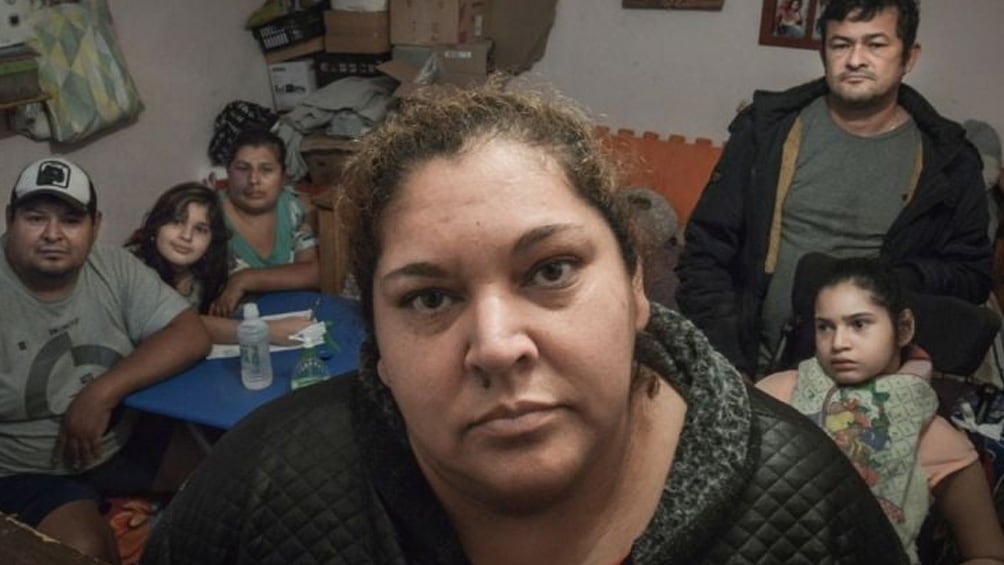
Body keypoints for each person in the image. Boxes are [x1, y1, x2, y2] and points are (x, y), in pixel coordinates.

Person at [143, 85, 908, 564]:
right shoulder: (265, 482)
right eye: (429, 298)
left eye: (551, 270)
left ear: (638, 285)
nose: (498, 345)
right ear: (376, 342)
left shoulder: (804, 504)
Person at [677, 0, 992, 378]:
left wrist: (886, 281)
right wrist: (728, 361)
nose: (856, 59)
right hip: (751, 365)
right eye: (841, 45)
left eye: (876, 45)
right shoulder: (767, 133)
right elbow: (706, 251)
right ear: (823, 53)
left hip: (874, 384)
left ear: (909, 57)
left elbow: (971, 278)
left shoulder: (949, 161)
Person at [0, 158, 211, 563]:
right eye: (35, 218)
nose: (53, 234)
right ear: (11, 219)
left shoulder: (112, 266)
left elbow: (190, 333)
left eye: (70, 220)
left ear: (95, 225)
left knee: (239, 477)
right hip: (28, 470)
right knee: (85, 550)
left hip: (120, 441)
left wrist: (101, 393)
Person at [757, 257, 1004, 563]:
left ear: (903, 328)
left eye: (859, 324)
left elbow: (988, 554)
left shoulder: (937, 440)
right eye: (825, 327)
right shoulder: (776, 393)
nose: (838, 343)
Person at [127, 182, 312, 345]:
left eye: (200, 229)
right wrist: (265, 331)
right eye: (176, 222)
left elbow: (301, 274)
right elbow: (179, 324)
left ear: (211, 240)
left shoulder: (209, 262)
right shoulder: (133, 268)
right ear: (156, 225)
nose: (186, 236)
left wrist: (241, 281)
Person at [210, 128, 320, 316]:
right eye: (242, 168)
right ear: (228, 171)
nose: (253, 180)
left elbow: (313, 273)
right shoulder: (208, 214)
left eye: (266, 170)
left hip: (294, 319)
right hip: (232, 331)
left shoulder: (291, 208)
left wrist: (244, 279)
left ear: (283, 176)